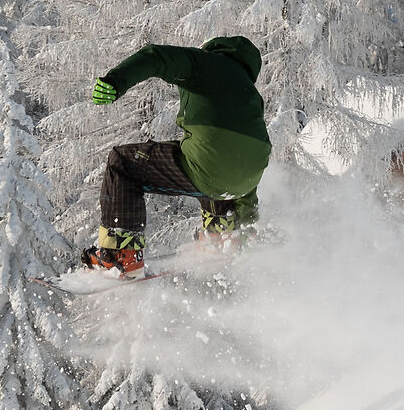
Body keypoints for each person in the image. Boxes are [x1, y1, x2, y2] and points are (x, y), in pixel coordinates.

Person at [81, 35, 269, 276]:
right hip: (247, 175)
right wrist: (246, 224)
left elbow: (157, 56)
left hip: (208, 164)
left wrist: (117, 82)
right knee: (215, 168)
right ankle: (222, 237)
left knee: (123, 162)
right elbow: (240, 161)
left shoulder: (204, 64)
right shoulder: (252, 96)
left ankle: (120, 254)